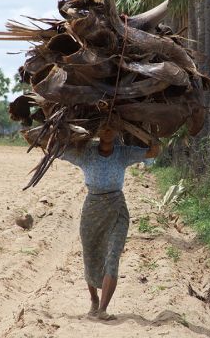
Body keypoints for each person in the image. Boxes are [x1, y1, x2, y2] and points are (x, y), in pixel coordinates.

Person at [59, 124, 160, 321]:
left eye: (111, 127)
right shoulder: (85, 153)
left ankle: (103, 308)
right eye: (103, 127)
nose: (107, 131)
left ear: (117, 131)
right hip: (92, 209)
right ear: (96, 131)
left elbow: (154, 151)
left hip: (116, 208)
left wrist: (150, 129)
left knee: (112, 257)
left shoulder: (123, 153)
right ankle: (94, 300)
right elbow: (57, 150)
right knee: (91, 256)